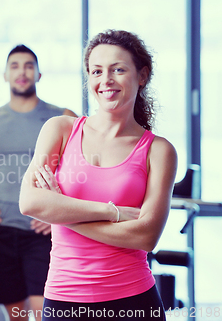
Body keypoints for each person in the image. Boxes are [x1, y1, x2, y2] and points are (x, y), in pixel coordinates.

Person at [19, 30, 177, 320]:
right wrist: (112, 212)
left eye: (118, 69)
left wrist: (61, 212)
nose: (106, 80)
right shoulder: (61, 130)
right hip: (64, 300)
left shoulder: (158, 151)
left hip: (134, 301)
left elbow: (145, 236)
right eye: (96, 71)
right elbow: (29, 202)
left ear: (142, 76)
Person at [0, 45, 77, 321]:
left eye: (28, 66)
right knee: (15, 316)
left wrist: (59, 217)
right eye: (14, 66)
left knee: (43, 313)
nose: (21, 72)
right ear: (5, 75)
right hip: (2, 229)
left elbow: (83, 171)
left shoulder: (62, 117)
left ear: (38, 74)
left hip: (43, 231)